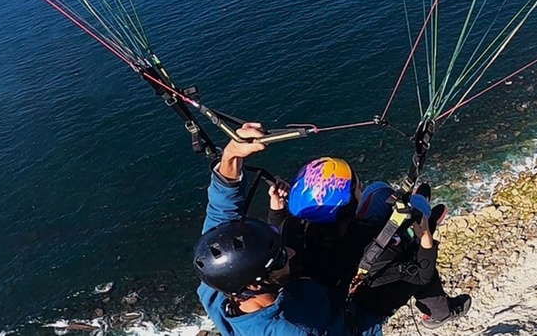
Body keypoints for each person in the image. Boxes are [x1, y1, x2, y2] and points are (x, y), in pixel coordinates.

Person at [193, 124, 382, 336]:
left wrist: (231, 156)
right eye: (281, 258)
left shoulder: (217, 282)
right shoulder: (297, 328)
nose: (291, 252)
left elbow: (222, 212)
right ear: (256, 286)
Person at [271, 157, 471, 329]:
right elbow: (420, 274)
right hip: (369, 287)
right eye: (358, 187)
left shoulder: (293, 230)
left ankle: (418, 209)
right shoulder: (374, 251)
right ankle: (440, 312)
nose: (360, 187)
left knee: (378, 190)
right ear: (349, 210)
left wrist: (277, 211)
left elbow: (280, 227)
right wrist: (426, 239)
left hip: (351, 244)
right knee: (418, 209)